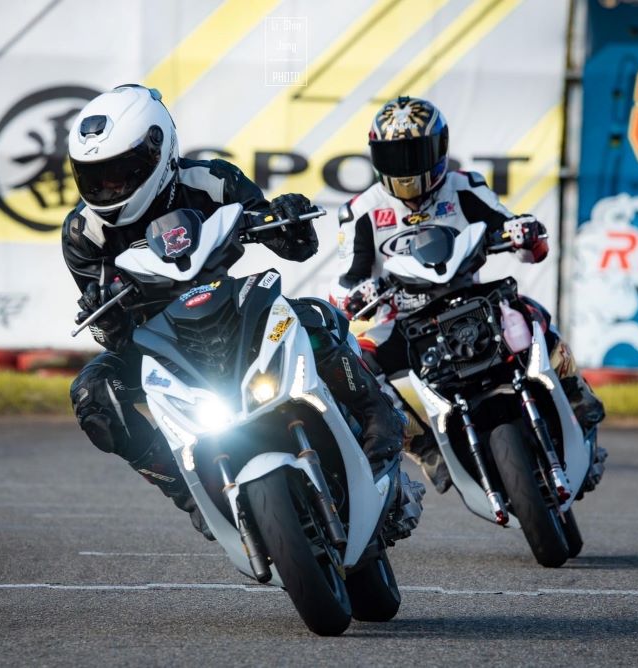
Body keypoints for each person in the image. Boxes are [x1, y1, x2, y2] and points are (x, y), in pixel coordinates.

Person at [63, 84, 404, 538]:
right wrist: (107, 321)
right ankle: (188, 494)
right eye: (95, 176)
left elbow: (296, 245)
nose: (108, 187)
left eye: (120, 172)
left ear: (156, 152)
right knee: (92, 394)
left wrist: (287, 218)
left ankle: (379, 415)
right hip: (158, 343)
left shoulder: (211, 180)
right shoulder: (82, 232)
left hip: (233, 308)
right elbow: (114, 335)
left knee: (317, 317)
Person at [329, 96, 606, 494]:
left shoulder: (464, 186)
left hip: (472, 303)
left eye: (415, 153)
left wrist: (524, 232)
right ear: (376, 157)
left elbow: (515, 232)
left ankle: (575, 392)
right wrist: (354, 296)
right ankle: (423, 447)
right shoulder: (361, 211)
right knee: (356, 362)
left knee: (529, 313)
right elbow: (343, 284)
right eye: (394, 156)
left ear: (439, 149)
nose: (405, 167)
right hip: (405, 322)